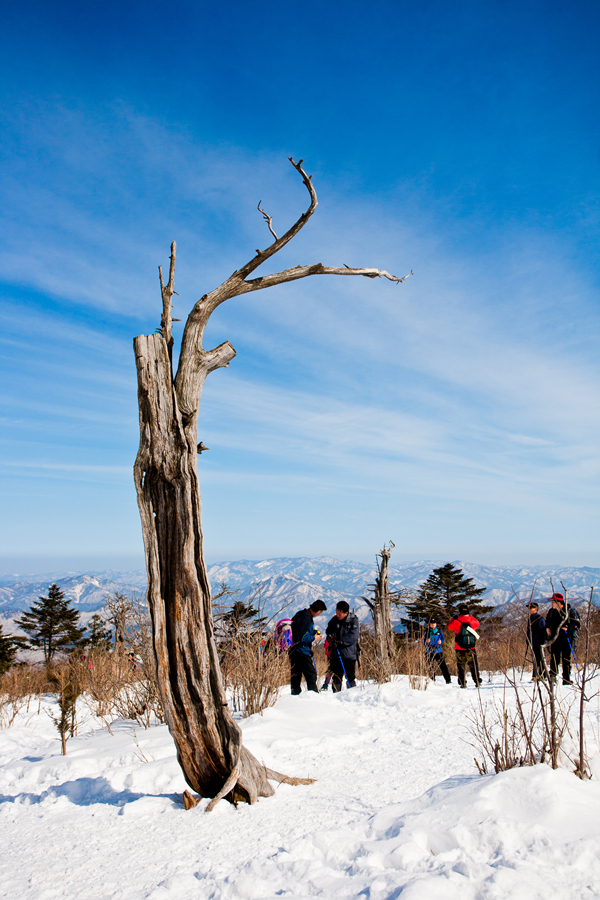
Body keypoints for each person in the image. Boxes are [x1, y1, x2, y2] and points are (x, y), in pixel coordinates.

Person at [289, 600, 326, 694]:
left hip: (293, 649)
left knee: (295, 674)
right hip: (302, 650)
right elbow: (302, 637)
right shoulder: (307, 618)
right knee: (311, 675)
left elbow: (297, 631)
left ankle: (295, 694)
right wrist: (314, 637)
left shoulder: (300, 614)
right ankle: (313, 696)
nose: (319, 614)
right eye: (320, 612)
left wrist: (312, 632)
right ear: (318, 610)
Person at [325, 601, 360, 691]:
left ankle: (352, 692)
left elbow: (354, 635)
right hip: (336, 653)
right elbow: (329, 630)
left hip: (349, 653)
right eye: (337, 613)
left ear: (346, 613)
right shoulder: (334, 620)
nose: (337, 615)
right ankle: (336, 693)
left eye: (339, 614)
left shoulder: (353, 620)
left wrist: (341, 642)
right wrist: (330, 636)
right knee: (336, 676)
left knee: (350, 676)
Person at [545, 592, 578, 685]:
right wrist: (547, 628)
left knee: (566, 659)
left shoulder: (569, 611)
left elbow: (576, 625)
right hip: (555, 639)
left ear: (559, 602)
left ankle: (566, 679)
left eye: (553, 602)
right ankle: (552, 678)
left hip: (567, 638)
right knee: (554, 658)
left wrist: (568, 628)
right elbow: (547, 621)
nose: (552, 604)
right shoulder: (551, 612)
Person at [448, 604, 481, 688]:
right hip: (471, 647)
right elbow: (477, 623)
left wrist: (453, 618)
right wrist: (471, 616)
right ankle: (477, 680)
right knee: (473, 665)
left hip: (459, 647)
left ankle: (462, 682)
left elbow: (449, 626)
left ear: (459, 612)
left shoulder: (456, 621)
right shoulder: (472, 621)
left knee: (461, 665)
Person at [423, 619, 451, 684]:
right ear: (429, 624)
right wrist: (426, 641)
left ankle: (448, 680)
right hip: (429, 651)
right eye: (432, 623)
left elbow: (443, 638)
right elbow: (423, 640)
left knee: (443, 666)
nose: (433, 624)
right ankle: (432, 679)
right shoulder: (426, 631)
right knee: (430, 666)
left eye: (434, 623)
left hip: (438, 650)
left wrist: (441, 641)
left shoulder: (439, 631)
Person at [526, 602, 546, 680]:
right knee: (535, 659)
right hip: (533, 642)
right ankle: (535, 675)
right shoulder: (530, 618)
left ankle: (542, 675)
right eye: (529, 608)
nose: (529, 609)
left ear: (536, 609)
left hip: (538, 642)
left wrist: (542, 642)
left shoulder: (539, 618)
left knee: (540, 659)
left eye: (531, 608)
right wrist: (528, 639)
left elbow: (543, 631)